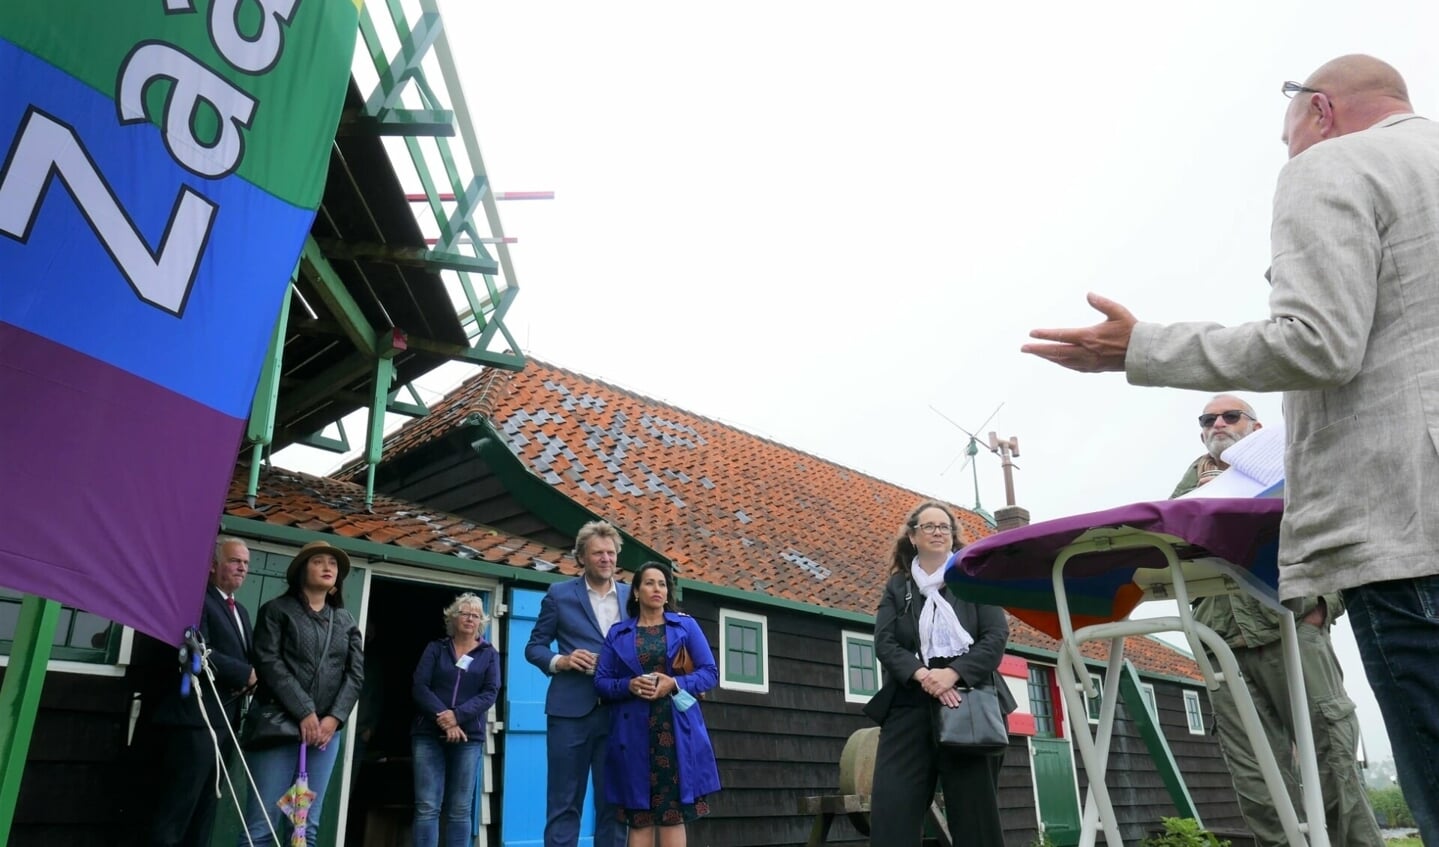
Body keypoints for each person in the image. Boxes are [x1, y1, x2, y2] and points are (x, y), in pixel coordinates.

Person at [1022, 54, 1439, 841]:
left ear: (1317, 111)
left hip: (1397, 533)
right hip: (1232, 634)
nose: (1215, 430)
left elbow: (1317, 343)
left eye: (1288, 142)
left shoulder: (1334, 163)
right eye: (1205, 422)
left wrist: (1140, 348)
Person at [1173, 395, 1383, 847]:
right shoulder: (1187, 490)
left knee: (1333, 764)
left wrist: (1324, 604)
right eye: (1209, 419)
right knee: (1257, 784)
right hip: (1223, 644)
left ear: (1256, 425)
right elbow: (1165, 549)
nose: (1220, 424)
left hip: (1291, 629)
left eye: (1232, 416)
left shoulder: (1295, 466)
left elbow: (1343, 534)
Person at [864, 501, 1014, 846]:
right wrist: (923, 675)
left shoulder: (976, 581)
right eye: (928, 526)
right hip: (908, 702)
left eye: (943, 526)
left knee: (975, 816)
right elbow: (884, 642)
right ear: (913, 537)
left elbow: (995, 637)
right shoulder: (897, 587)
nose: (936, 531)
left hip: (970, 701)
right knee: (892, 811)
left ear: (953, 537)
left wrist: (953, 674)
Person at [130, 537, 256, 847]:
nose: (242, 567)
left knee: (204, 812)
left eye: (246, 563)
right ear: (213, 565)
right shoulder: (197, 602)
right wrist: (244, 673)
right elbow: (197, 648)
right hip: (193, 724)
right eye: (234, 560)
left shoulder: (240, 611)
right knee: (177, 812)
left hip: (223, 724)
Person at [238, 540, 365, 847]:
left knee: (305, 828)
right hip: (277, 728)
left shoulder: (346, 622)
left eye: (332, 564)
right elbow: (269, 663)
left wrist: (333, 719)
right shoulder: (276, 611)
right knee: (261, 827)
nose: (327, 567)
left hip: (325, 735)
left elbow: (355, 674)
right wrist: (305, 711)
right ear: (300, 571)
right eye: (318, 561)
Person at [594, 561, 719, 847]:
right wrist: (629, 685)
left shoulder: (686, 626)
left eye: (662, 584)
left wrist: (673, 683)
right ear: (636, 592)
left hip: (675, 731)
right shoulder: (618, 633)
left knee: (672, 815)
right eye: (649, 583)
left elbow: (710, 673)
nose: (657, 589)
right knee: (640, 817)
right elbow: (601, 682)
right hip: (631, 735)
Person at [524, 521, 633, 847]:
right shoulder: (559, 595)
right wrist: (563, 661)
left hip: (619, 714)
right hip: (569, 712)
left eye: (611, 553)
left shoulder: (632, 597)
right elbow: (534, 647)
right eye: (598, 553)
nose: (606, 558)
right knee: (564, 802)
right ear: (582, 557)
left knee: (614, 805)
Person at [410, 592, 501, 847]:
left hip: (468, 737)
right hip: (428, 733)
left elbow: (490, 692)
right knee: (427, 806)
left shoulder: (489, 654)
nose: (470, 619)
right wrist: (444, 718)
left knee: (460, 808)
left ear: (481, 622)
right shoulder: (435, 648)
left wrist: (457, 716)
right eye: (464, 613)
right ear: (453, 617)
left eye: (475, 615)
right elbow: (420, 686)